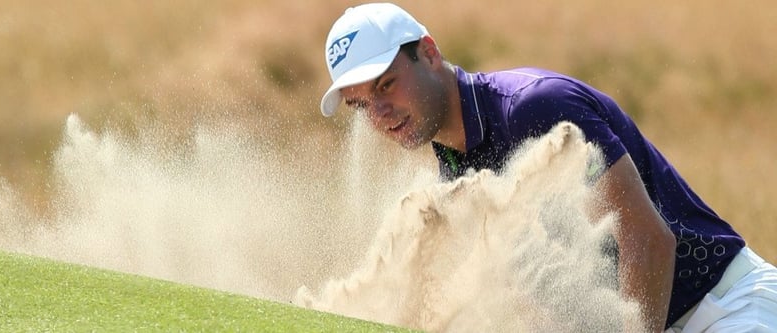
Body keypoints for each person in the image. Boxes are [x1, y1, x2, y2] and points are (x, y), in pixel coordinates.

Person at [319, 2, 777, 332]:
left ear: (430, 53)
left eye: (387, 85)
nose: (378, 113)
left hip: (727, 308)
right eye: (361, 105)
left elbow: (649, 241)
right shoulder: (457, 168)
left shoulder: (534, 107)